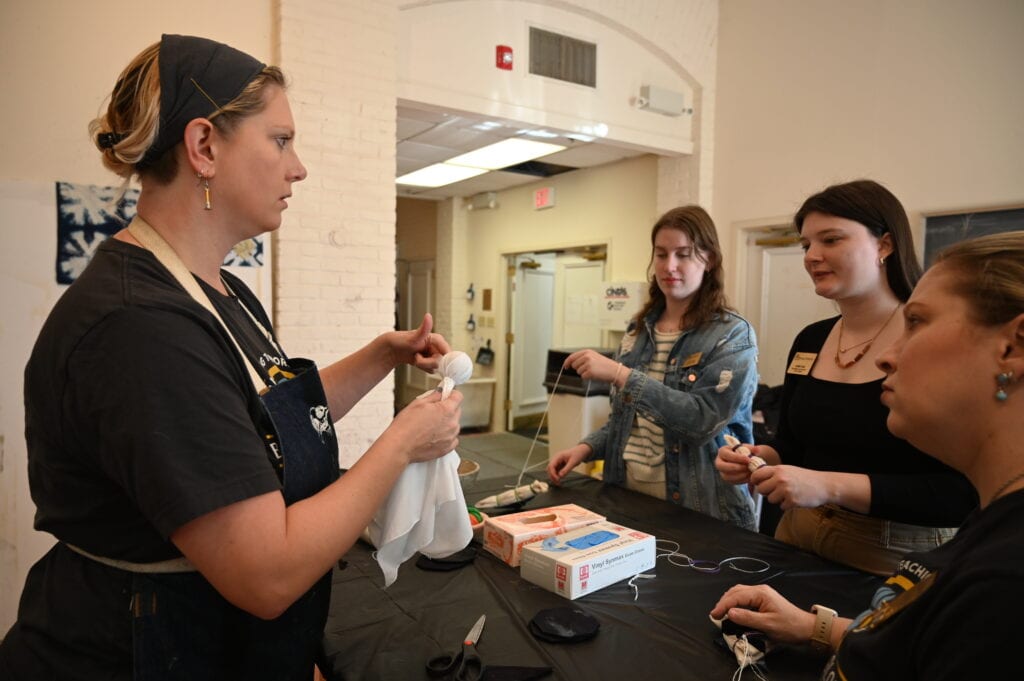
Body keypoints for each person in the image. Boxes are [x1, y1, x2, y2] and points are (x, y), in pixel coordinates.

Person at [0, 35, 462, 680]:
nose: (297, 167)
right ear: (205, 147)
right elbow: (266, 574)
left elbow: (261, 424)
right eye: (280, 140)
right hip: (142, 648)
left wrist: (380, 356)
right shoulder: (141, 326)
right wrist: (403, 444)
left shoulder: (223, 290)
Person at [710, 231, 1024, 679]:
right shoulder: (995, 524)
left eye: (916, 322)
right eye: (805, 244)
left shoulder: (1005, 583)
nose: (887, 357)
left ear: (1012, 346)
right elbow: (917, 639)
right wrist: (814, 627)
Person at [715, 180, 976, 574]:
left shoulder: (932, 341)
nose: (812, 256)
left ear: (885, 245)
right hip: (796, 536)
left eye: (831, 240)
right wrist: (760, 459)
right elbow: (793, 448)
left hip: (893, 557)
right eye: (806, 245)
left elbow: (961, 494)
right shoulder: (811, 340)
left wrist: (826, 486)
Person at [547, 206, 759, 530]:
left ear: (710, 259)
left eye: (683, 254)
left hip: (699, 510)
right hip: (626, 499)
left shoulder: (731, 335)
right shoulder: (638, 330)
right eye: (661, 254)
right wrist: (585, 449)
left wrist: (620, 374)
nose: (669, 266)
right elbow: (626, 419)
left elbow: (701, 422)